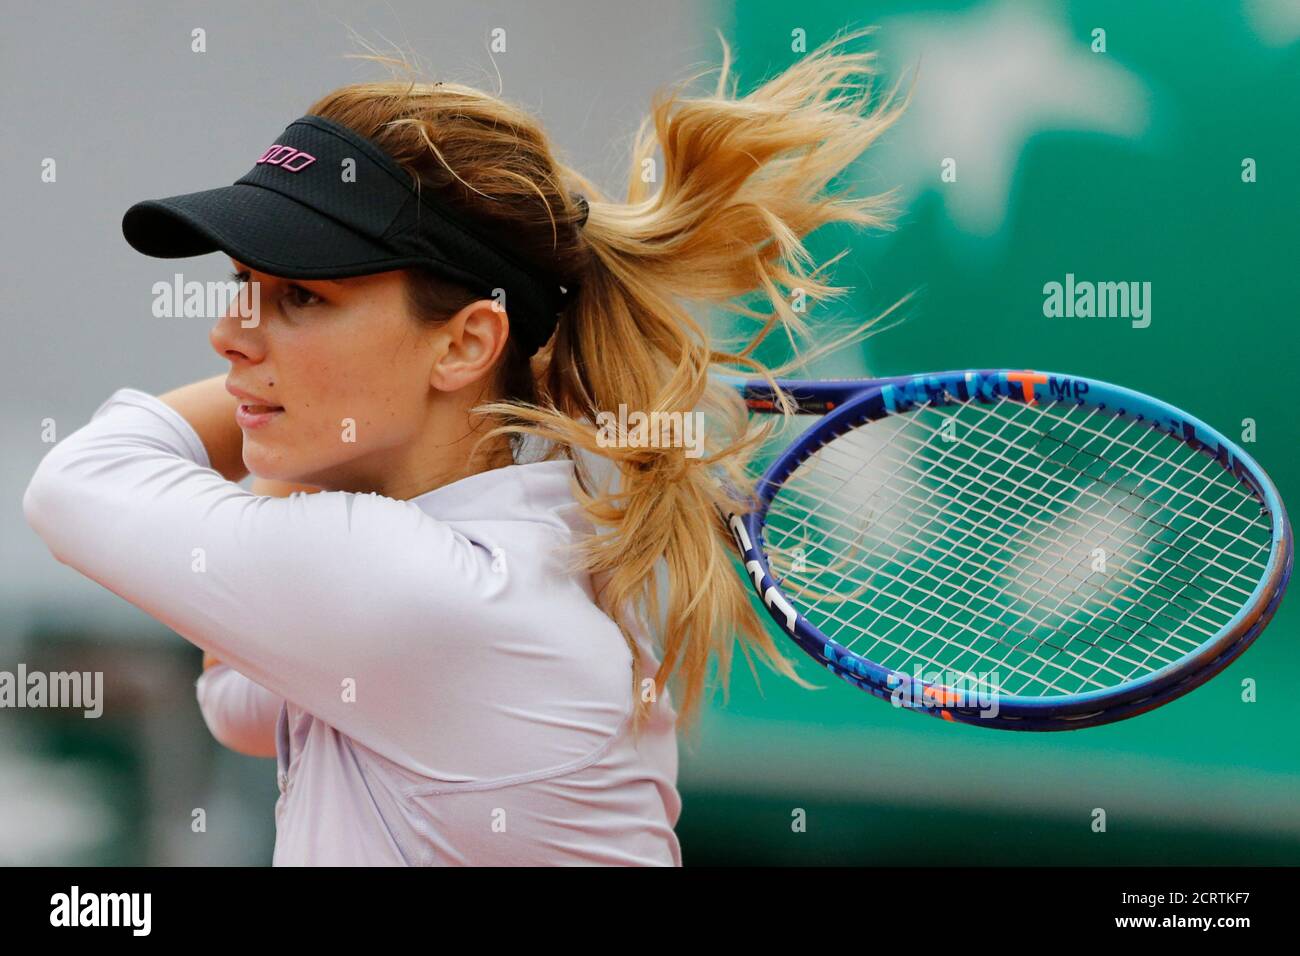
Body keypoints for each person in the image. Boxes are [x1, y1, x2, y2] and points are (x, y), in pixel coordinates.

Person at [23, 29, 905, 865]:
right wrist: (301, 420)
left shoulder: (421, 592)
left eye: (301, 298)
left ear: (465, 343)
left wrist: (287, 422)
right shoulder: (511, 548)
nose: (228, 336)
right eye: (242, 284)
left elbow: (75, 482)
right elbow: (240, 703)